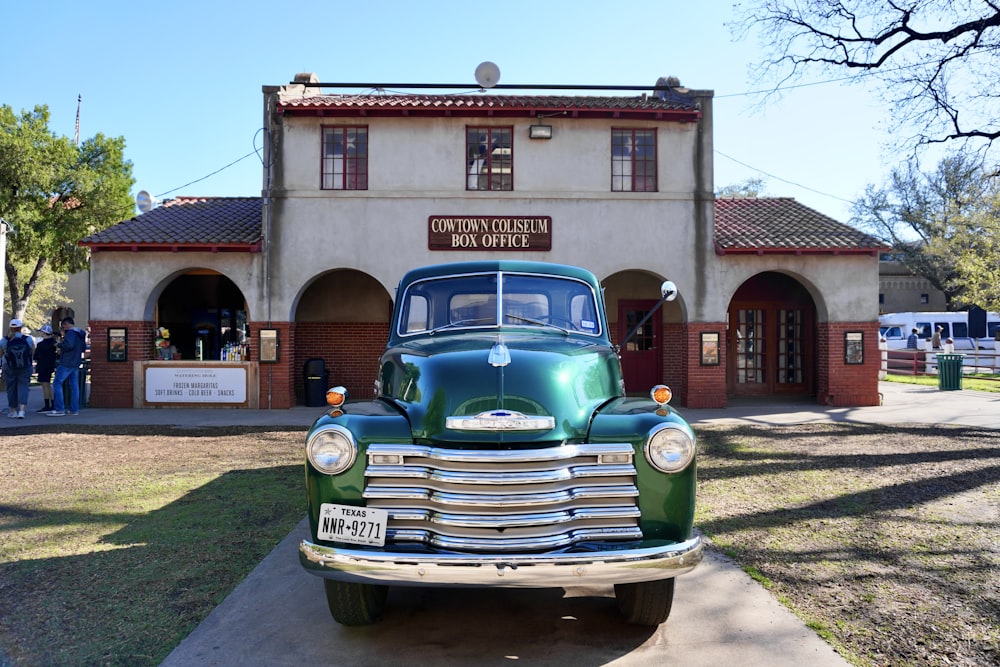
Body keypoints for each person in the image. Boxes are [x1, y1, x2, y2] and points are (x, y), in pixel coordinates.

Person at [48, 316, 87, 417]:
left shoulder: (70, 333)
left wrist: (59, 345)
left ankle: (59, 409)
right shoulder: (80, 334)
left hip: (66, 362)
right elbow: (83, 347)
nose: (63, 328)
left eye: (63, 326)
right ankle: (74, 409)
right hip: (76, 362)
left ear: (67, 324)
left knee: (57, 383)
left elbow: (69, 345)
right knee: (74, 386)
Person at [1, 318, 36, 419]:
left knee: (11, 388)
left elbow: (0, 354)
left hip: (9, 366)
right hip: (25, 366)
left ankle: (12, 410)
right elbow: (33, 352)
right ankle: (21, 410)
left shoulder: (5, 340)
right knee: (23, 386)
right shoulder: (28, 339)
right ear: (20, 328)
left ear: (10, 328)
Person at [33, 324, 58, 412]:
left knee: (45, 386)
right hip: (50, 365)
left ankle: (47, 405)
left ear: (43, 333)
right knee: (48, 385)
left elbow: (35, 356)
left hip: (42, 366)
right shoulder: (54, 343)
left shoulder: (41, 345)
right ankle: (53, 403)